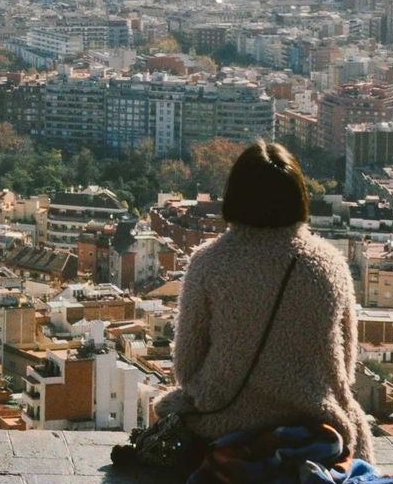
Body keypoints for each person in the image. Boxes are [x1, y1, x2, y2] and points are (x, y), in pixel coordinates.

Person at [154, 140, 376, 462]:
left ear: (235, 197)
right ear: (298, 196)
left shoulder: (209, 263)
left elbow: (186, 369)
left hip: (223, 425)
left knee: (167, 411)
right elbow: (345, 367)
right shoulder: (331, 265)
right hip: (317, 428)